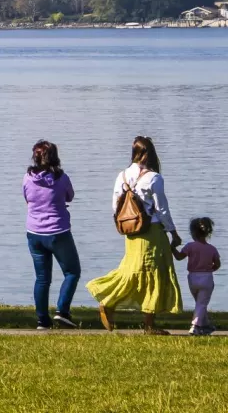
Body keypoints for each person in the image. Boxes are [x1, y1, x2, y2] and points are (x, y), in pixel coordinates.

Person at [87, 136, 184, 334]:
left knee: (131, 270)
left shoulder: (122, 176)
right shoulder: (154, 178)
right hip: (152, 232)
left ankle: (112, 303)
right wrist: (173, 232)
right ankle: (146, 324)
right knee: (153, 273)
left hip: (131, 233)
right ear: (149, 154)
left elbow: (115, 206)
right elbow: (162, 209)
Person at [22, 140, 82, 329]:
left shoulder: (27, 177)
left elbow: (27, 198)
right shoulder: (61, 178)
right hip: (58, 232)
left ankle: (42, 320)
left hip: (34, 233)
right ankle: (62, 311)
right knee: (72, 272)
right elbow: (70, 196)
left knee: (42, 278)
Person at [173, 217, 222, 336]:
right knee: (202, 303)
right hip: (206, 278)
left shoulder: (190, 246)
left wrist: (172, 248)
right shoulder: (212, 249)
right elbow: (217, 264)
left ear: (193, 232)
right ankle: (195, 326)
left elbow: (179, 257)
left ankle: (205, 326)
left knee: (200, 303)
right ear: (208, 232)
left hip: (192, 278)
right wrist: (211, 269)